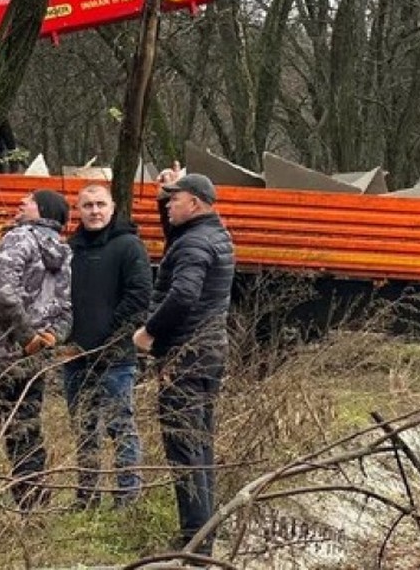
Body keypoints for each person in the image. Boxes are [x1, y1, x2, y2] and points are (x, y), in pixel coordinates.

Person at [133, 169, 234, 556]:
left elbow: (183, 295)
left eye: (174, 199)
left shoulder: (194, 245)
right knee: (200, 447)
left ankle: (195, 546)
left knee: (185, 450)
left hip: (185, 358)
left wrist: (149, 333)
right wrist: (167, 189)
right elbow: (176, 232)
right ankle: (202, 536)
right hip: (207, 355)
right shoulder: (213, 233)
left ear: (194, 203)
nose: (168, 206)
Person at [0, 189, 73, 515]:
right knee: (25, 431)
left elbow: (4, 293)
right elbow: (66, 310)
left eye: (29, 200)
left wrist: (26, 338)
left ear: (43, 210)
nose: (21, 202)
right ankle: (33, 509)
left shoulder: (18, 238)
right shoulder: (63, 252)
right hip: (32, 360)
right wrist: (50, 338)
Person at [64, 184, 152, 509]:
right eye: (87, 205)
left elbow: (139, 296)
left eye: (100, 204)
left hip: (116, 358)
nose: (95, 211)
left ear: (113, 208)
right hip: (75, 356)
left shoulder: (129, 246)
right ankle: (86, 496)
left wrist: (111, 340)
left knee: (120, 427)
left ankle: (126, 499)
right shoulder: (70, 249)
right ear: (78, 210)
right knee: (84, 428)